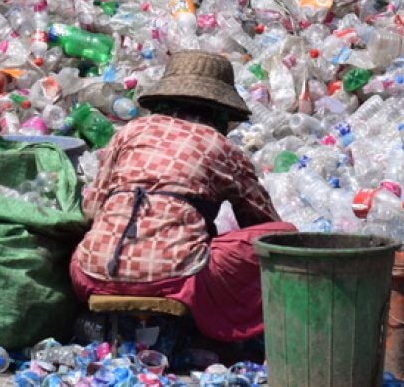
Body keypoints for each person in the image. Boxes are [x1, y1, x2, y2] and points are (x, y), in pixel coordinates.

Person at [71, 50, 294, 345]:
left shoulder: (130, 132)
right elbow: (264, 224)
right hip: (174, 280)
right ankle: (232, 332)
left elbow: (91, 209)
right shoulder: (223, 147)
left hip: (90, 273)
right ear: (221, 113)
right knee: (285, 236)